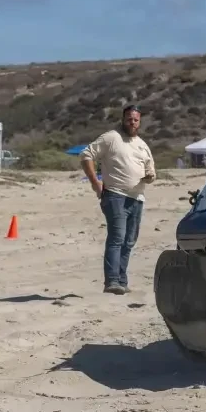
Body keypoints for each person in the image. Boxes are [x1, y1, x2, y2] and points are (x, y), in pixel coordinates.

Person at [79, 105, 156, 295]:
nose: (132, 122)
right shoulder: (111, 138)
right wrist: (95, 183)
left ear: (140, 122)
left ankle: (122, 280)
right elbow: (86, 155)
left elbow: (151, 170)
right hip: (115, 195)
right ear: (123, 119)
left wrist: (149, 176)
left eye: (136, 120)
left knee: (129, 241)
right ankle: (112, 281)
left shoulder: (142, 145)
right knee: (117, 238)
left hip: (137, 198)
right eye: (129, 119)